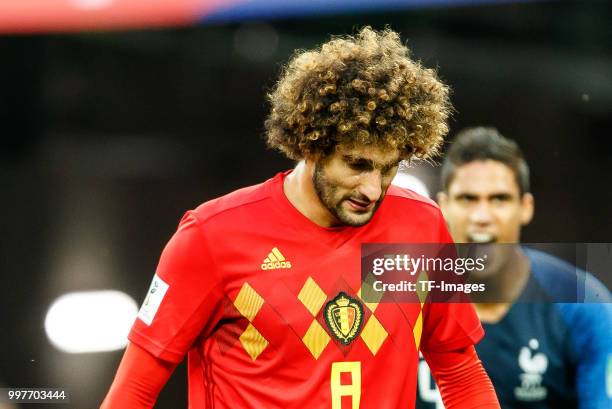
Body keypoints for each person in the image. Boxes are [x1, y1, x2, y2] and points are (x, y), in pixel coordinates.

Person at [101, 28, 500, 409]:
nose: (373, 189)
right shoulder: (211, 237)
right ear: (312, 144)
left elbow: (461, 372)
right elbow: (135, 390)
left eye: (388, 168)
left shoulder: (423, 226)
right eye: (357, 164)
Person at [416, 127, 612, 409]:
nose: (482, 217)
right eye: (467, 199)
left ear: (526, 207)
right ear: (442, 206)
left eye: (499, 199)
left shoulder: (583, 302)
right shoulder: (397, 292)